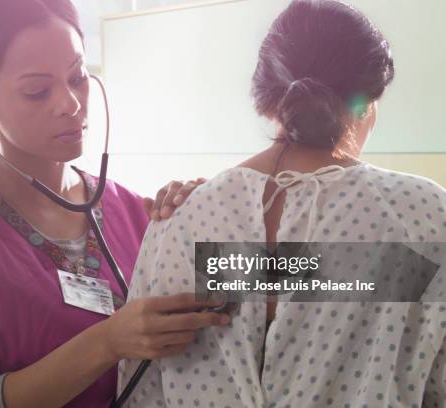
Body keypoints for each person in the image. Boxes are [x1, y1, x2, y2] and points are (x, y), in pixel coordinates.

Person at [0, 1, 232, 407]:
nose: (72, 104)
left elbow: (302, 279)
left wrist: (222, 211)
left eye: (78, 77)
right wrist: (107, 343)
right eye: (37, 91)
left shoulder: (138, 212)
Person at [118, 1, 446, 406]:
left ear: (269, 95)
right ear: (367, 103)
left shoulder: (179, 218)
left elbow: (142, 389)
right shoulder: (423, 214)